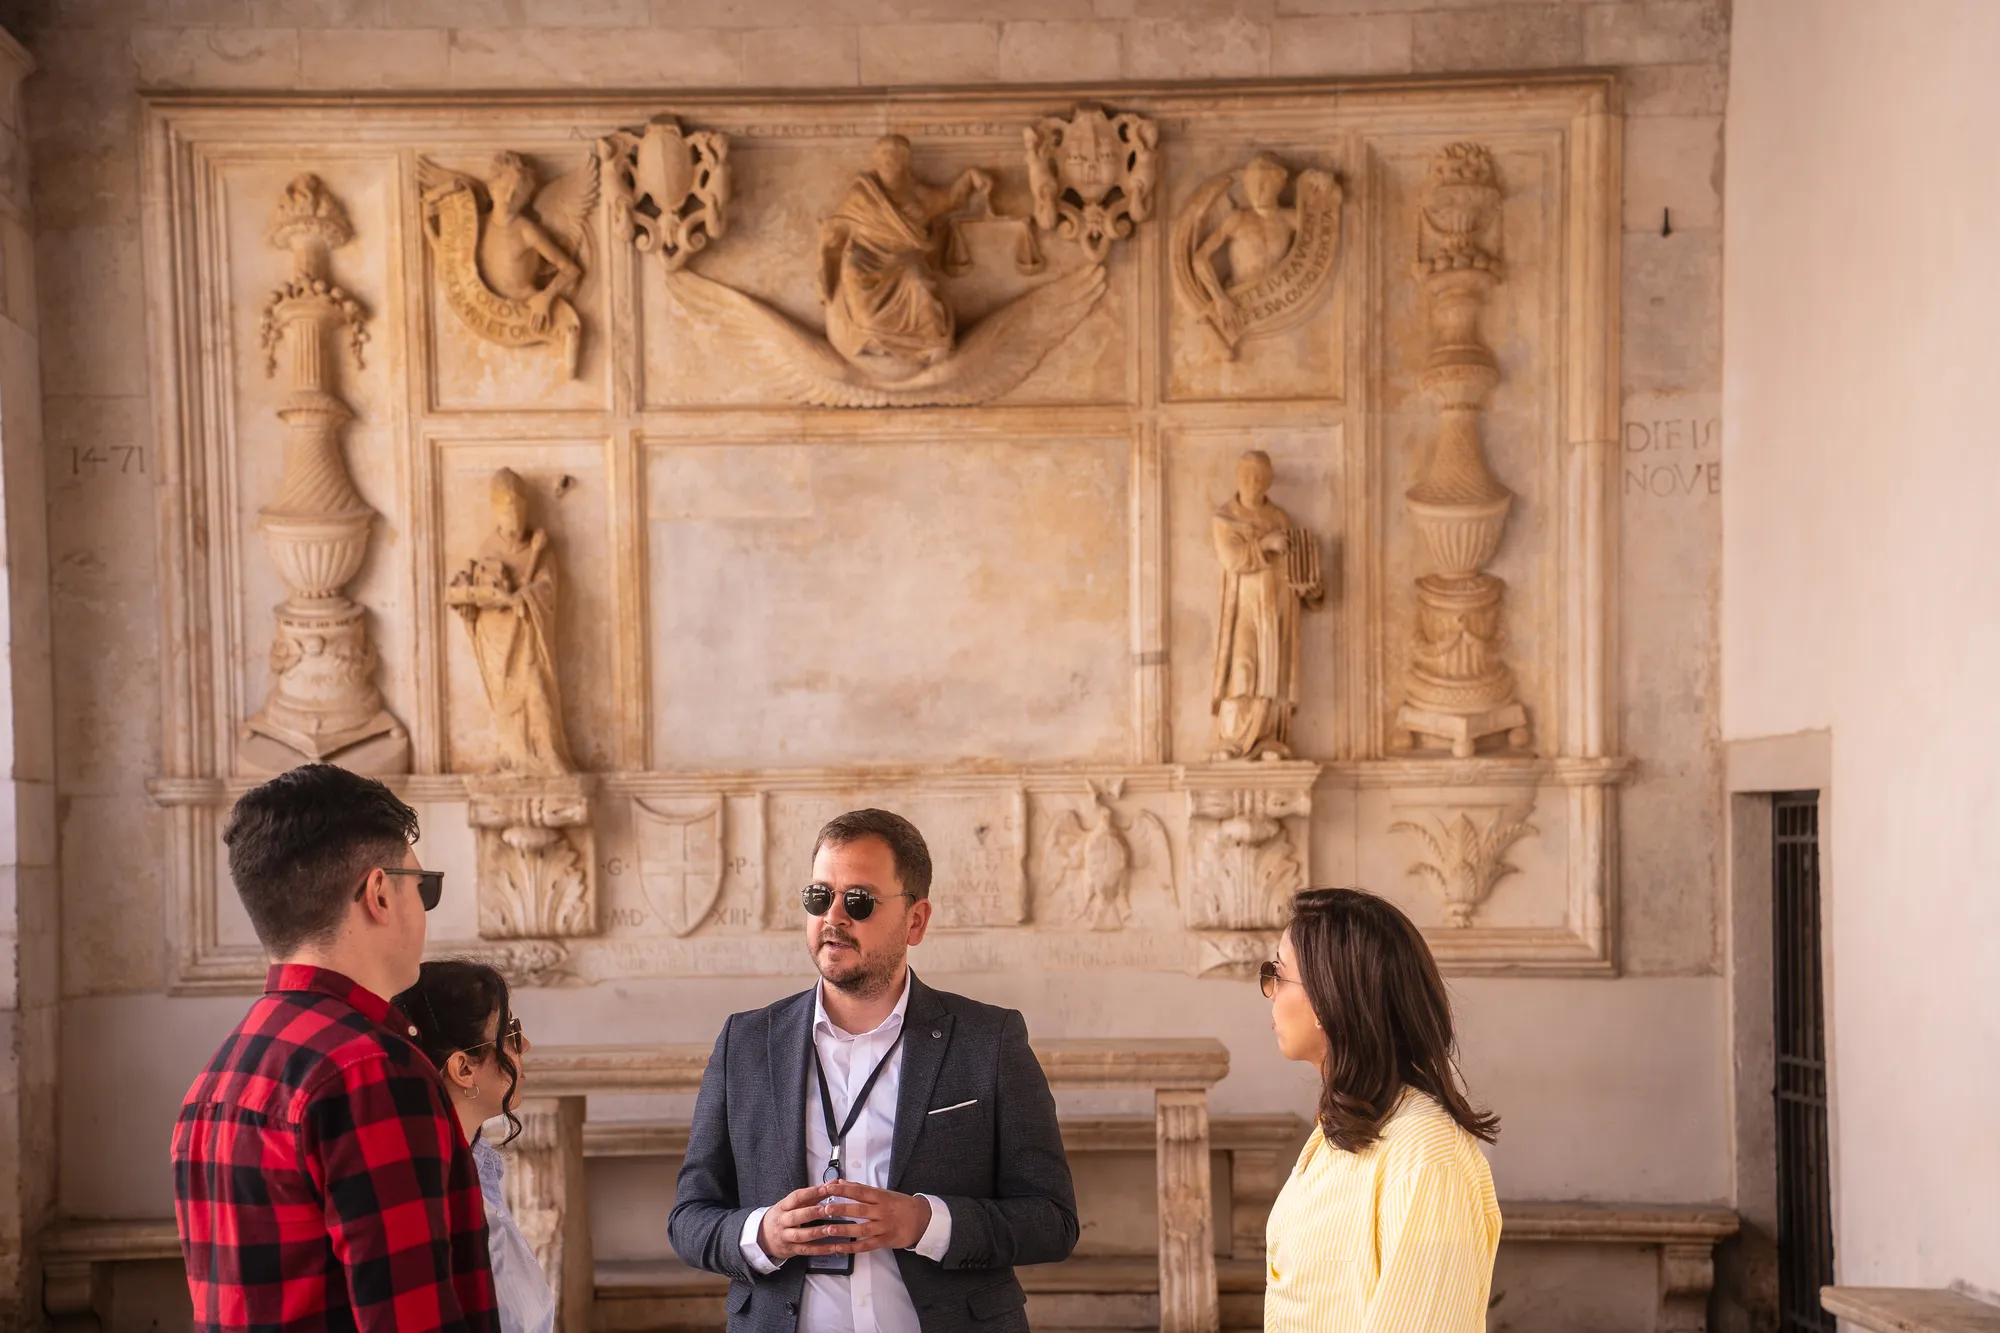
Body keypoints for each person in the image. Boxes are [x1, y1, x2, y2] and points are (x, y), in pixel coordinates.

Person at [670, 808, 1077, 1333]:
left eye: (858, 901)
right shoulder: (745, 1043)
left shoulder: (989, 1040)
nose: (833, 918)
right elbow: (688, 1218)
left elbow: (1052, 1221)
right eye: (819, 897)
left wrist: (924, 1223)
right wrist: (762, 1234)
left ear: (916, 921)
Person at [171, 764, 499, 1333]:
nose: (425, 909)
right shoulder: (371, 1072)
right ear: (378, 893)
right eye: (424, 888)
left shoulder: (218, 1075)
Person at [1258, 888, 1502, 1332]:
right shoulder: (1341, 1130)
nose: (1269, 991)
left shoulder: (1427, 1154)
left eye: (1277, 972)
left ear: (1326, 999)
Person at [397, 961, 556, 1333]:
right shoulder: (433, 1191)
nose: (526, 1046)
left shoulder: (475, 1163)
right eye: (511, 1033)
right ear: (464, 1069)